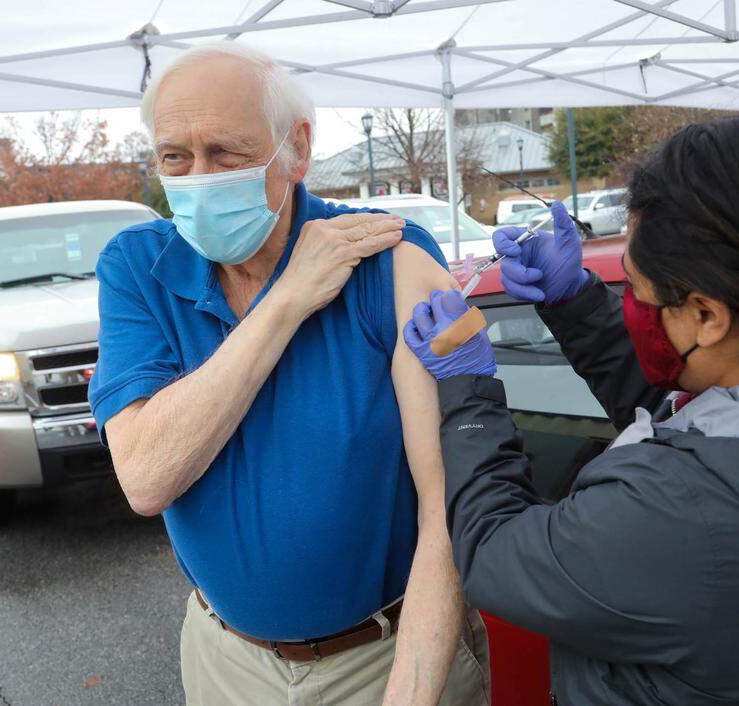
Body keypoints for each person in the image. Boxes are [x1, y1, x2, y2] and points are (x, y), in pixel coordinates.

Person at [404, 117, 739, 705]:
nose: (632, 305)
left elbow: (493, 551)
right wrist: (575, 304)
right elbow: (697, 428)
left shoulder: (677, 509)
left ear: (709, 317)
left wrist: (468, 391)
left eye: (638, 290)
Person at [87, 43, 489, 706]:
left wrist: (410, 696)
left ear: (296, 148)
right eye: (175, 158)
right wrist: (286, 300)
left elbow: (448, 505)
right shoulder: (137, 267)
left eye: (226, 154)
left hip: (387, 654)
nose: (199, 179)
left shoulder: (388, 256)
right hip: (226, 659)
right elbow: (146, 478)